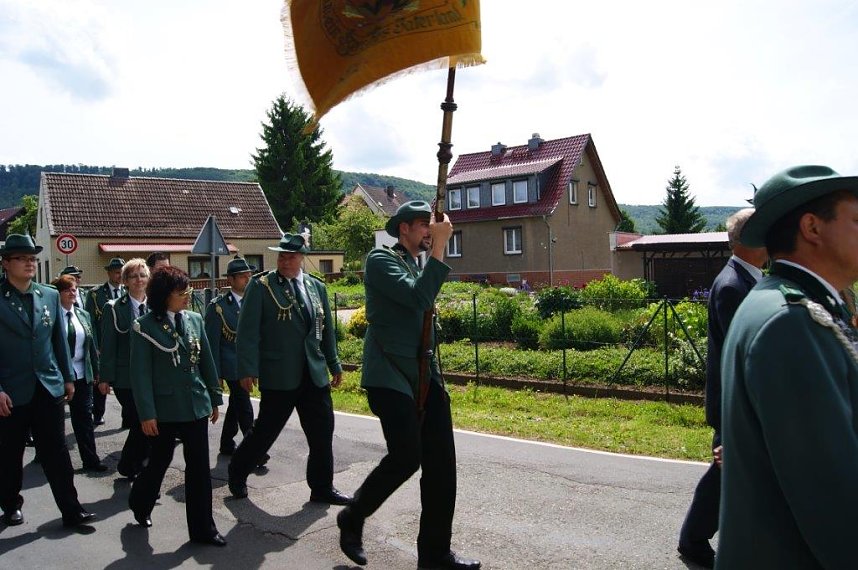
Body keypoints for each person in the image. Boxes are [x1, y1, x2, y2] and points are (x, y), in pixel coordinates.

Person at [717, 165, 858, 568]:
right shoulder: (791, 320)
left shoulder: (788, 304)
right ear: (812, 227)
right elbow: (830, 492)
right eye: (857, 220)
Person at [337, 201, 480, 569]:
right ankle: (353, 515)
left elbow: (422, 298)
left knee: (442, 466)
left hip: (423, 374)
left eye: (430, 226)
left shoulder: (417, 264)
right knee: (406, 456)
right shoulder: (380, 260)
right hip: (388, 374)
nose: (429, 232)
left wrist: (432, 251)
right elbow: (419, 296)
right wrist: (439, 249)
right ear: (403, 229)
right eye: (422, 226)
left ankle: (435, 554)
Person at [227, 233, 349, 507]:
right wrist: (247, 368)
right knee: (266, 431)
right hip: (279, 373)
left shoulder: (315, 287)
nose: (284, 260)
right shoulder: (262, 286)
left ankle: (322, 487)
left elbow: (324, 329)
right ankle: (237, 471)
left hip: (313, 372)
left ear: (302, 258)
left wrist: (334, 363)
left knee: (322, 431)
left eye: (290, 256)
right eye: (281, 255)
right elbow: (247, 332)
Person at [677, 208, 767, 568]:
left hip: (738, 404)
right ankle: (693, 540)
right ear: (748, 241)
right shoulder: (733, 287)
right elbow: (739, 355)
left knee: (729, 473)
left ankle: (698, 539)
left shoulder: (748, 279)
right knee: (725, 471)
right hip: (734, 403)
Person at [0, 234, 95, 528]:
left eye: (32, 258)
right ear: (6, 264)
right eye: (21, 258)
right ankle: (11, 503)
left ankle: (71, 509)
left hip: (48, 386)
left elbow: (59, 342)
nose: (29, 263)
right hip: (11, 391)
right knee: (9, 453)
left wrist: (67, 378)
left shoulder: (49, 295)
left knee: (57, 452)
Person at [128, 265, 225, 546]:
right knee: (159, 462)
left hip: (194, 404)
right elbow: (140, 375)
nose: (186, 296)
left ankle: (203, 529)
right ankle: (140, 502)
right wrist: (147, 413)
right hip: (164, 409)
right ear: (163, 296)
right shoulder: (144, 326)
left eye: (188, 291)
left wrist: (215, 397)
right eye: (181, 292)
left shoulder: (194, 319)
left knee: (199, 469)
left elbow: (206, 360)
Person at [99, 258, 151, 480]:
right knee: (141, 421)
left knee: (146, 422)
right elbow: (108, 345)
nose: (138, 280)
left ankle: (131, 465)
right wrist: (105, 378)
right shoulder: (114, 308)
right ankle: (137, 467)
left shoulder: (156, 306)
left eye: (142, 275)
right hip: (125, 378)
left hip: (151, 377)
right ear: (125, 281)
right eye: (133, 276)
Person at [54, 274, 108, 472]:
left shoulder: (82, 314)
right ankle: (51, 459)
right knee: (55, 421)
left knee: (84, 417)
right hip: (59, 375)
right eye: (67, 289)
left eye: (75, 288)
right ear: (57, 294)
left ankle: (91, 459)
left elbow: (91, 345)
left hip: (82, 374)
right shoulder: (52, 316)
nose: (72, 292)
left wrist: (97, 371)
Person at [205, 256, 256, 456]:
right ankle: (254, 449)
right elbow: (211, 344)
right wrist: (215, 375)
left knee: (236, 404)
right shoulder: (218, 307)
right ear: (231, 280)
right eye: (242, 277)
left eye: (248, 276)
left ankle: (226, 442)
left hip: (248, 363)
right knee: (244, 406)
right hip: (231, 366)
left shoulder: (253, 302)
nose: (247, 280)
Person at [85, 256, 126, 426]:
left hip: (123, 345)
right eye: (117, 273)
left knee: (126, 382)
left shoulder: (128, 292)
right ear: (109, 273)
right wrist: (94, 345)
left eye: (122, 273)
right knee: (102, 378)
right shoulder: (96, 294)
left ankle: (128, 416)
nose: (120, 276)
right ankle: (98, 412)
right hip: (103, 344)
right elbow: (90, 322)